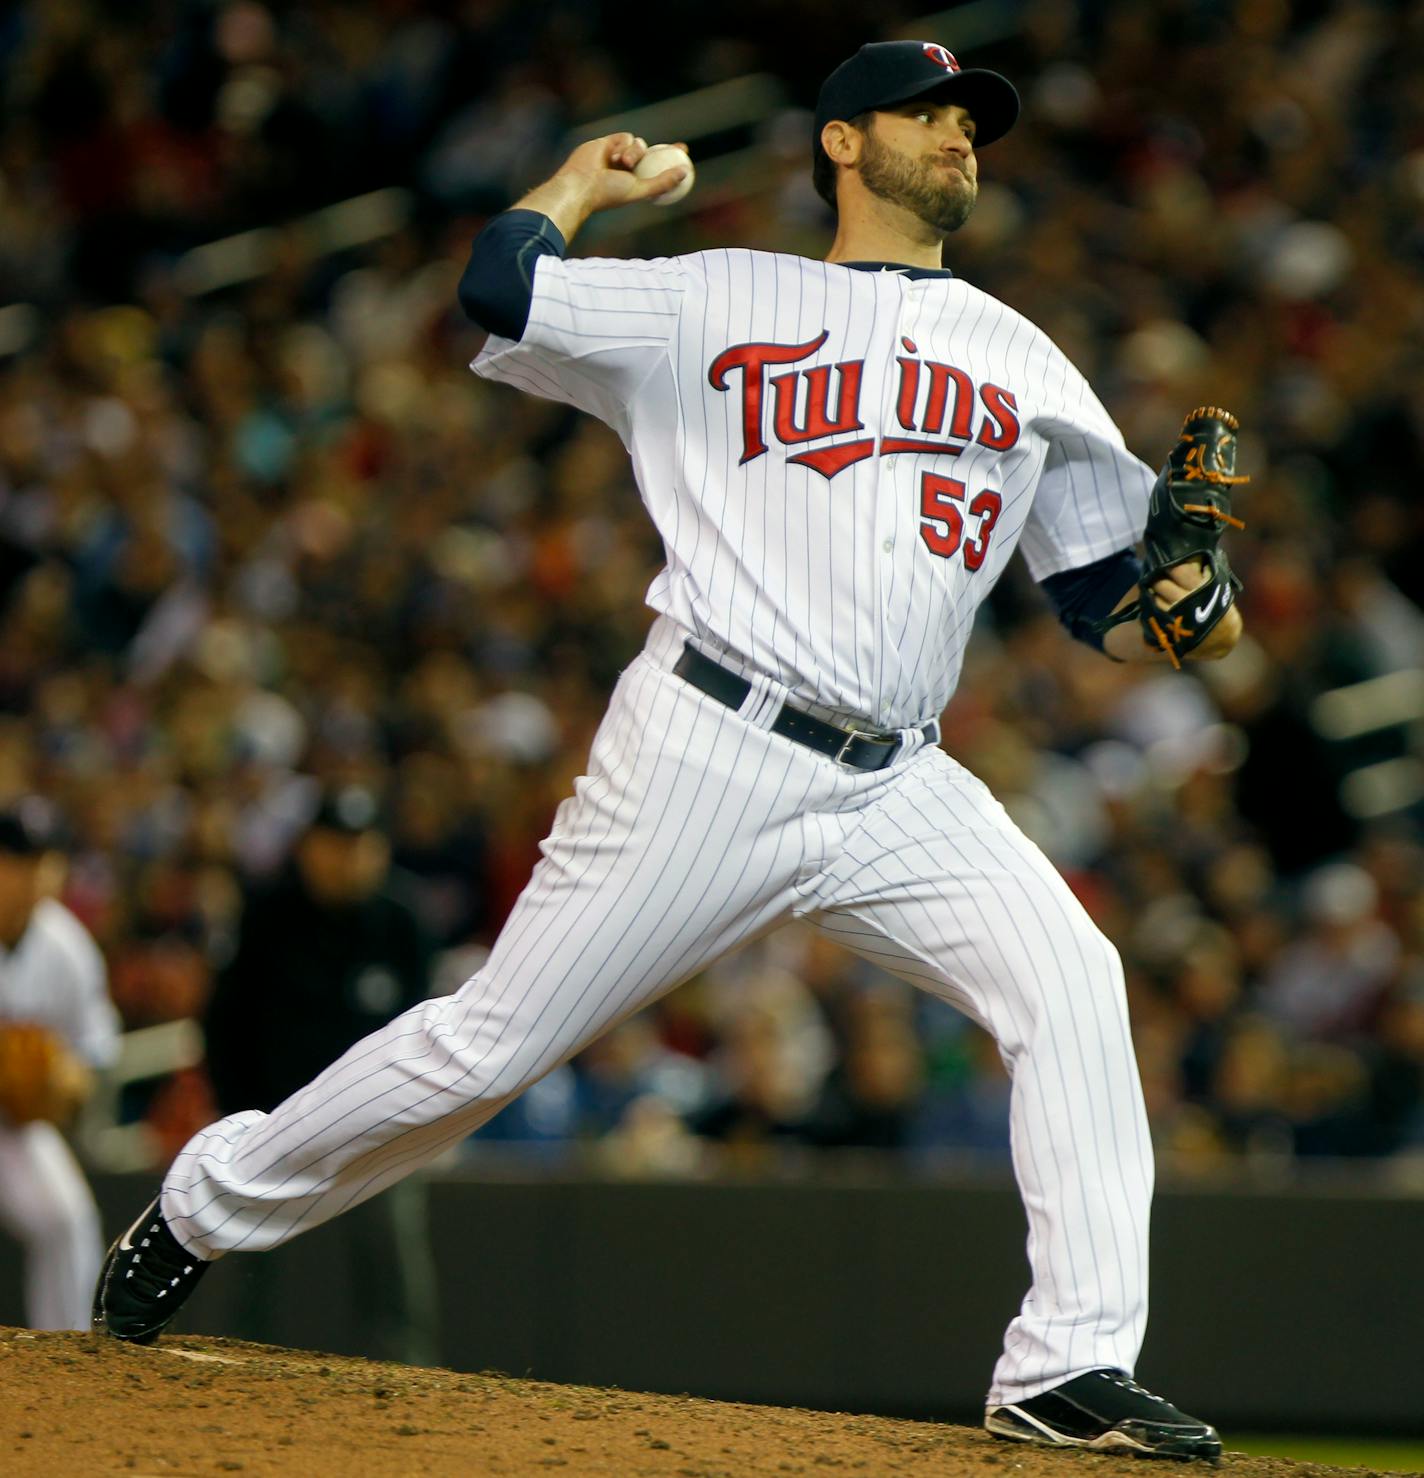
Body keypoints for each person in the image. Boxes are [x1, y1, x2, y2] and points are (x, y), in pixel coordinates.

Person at [96, 40, 1241, 1459]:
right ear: (841, 142)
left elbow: (1106, 610)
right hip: (712, 738)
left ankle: (1066, 1365)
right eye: (927, 113)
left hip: (899, 782)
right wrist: (579, 183)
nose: (959, 136)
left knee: (1074, 979)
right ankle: (205, 1204)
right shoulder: (718, 295)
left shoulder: (1023, 354)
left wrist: (1187, 615)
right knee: (489, 1043)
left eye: (971, 121)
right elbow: (499, 288)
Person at [201, 784, 439, 1362]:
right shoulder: (269, 917)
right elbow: (224, 1019)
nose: (346, 858)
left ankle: (405, 1375)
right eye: (334, 844)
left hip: (376, 1126)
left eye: (359, 845)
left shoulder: (401, 924)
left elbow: (430, 1031)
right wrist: (236, 1113)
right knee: (249, 1246)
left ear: (379, 852)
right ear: (307, 849)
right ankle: (234, 1364)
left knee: (391, 1245)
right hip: (273, 1119)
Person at [0, 799, 119, 1330]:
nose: (28, 875)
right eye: (15, 859)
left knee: (67, 1218)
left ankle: (69, 1360)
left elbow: (94, 1052)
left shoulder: (66, 946)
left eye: (40, 860)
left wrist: (65, 1083)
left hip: (12, 1127)